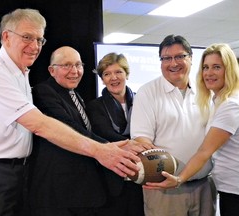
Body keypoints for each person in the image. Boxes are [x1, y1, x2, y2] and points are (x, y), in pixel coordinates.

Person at [0, 9, 142, 216]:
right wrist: (101, 151)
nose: (35, 46)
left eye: (39, 39)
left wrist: (106, 146)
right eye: (27, 37)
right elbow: (40, 125)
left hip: (16, 171)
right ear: (6, 37)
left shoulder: (21, 72)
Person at [28, 46, 145, 216]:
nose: (74, 71)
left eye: (78, 65)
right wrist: (111, 147)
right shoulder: (44, 91)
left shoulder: (75, 96)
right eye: (66, 65)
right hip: (57, 191)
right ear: (52, 70)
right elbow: (68, 127)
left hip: (78, 189)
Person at [145, 43, 239, 216]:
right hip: (228, 187)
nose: (209, 73)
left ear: (229, 70)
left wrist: (180, 178)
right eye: (206, 67)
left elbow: (205, 151)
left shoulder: (230, 106)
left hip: (234, 190)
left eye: (217, 67)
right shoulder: (217, 101)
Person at [130, 34, 217, 216]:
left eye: (180, 56)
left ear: (191, 58)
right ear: (160, 61)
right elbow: (141, 140)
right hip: (165, 190)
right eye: (166, 58)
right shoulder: (148, 93)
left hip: (204, 185)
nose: (173, 63)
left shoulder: (206, 91)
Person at [86, 52, 145, 215]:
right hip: (112, 180)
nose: (113, 78)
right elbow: (104, 134)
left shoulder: (142, 101)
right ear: (102, 79)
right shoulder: (94, 106)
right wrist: (133, 145)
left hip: (143, 176)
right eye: (107, 74)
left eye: (118, 72)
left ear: (127, 74)